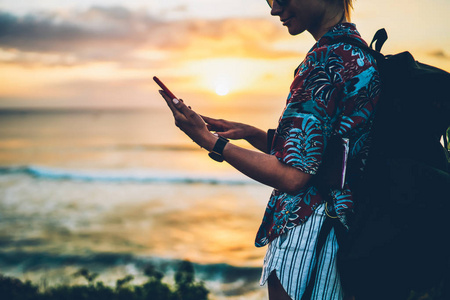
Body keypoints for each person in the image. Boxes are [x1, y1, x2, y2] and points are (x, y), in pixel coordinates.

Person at [158, 0, 380, 298]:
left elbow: (293, 177)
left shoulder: (324, 60)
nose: (274, 9)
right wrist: (251, 134)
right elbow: (328, 154)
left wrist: (209, 141)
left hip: (308, 228)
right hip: (339, 227)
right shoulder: (358, 53)